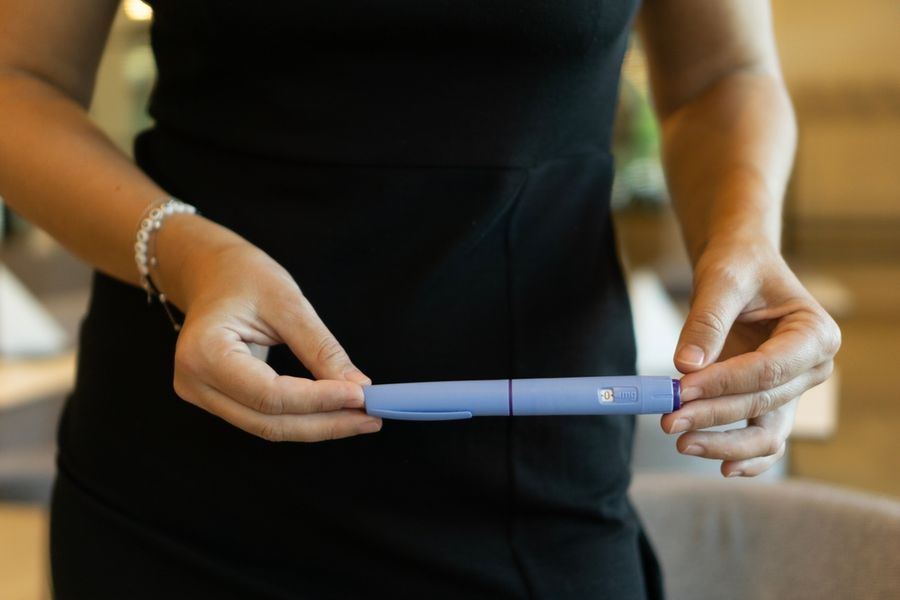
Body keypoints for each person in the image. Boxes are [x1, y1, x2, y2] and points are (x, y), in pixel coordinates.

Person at [0, 1, 840, 598]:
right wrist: (184, 254)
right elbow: (18, 79)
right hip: (191, 472)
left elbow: (722, 75)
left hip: (534, 469)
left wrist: (744, 238)